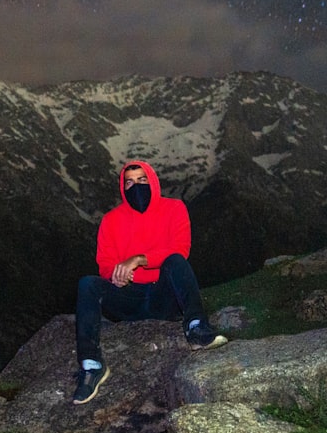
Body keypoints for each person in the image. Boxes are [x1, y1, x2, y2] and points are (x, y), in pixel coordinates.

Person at [72, 160, 227, 405]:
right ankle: (92, 365)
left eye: (142, 180)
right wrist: (116, 274)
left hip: (163, 297)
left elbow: (180, 250)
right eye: (130, 182)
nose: (136, 186)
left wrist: (139, 259)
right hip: (129, 299)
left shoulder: (174, 209)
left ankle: (196, 328)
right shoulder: (111, 220)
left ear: (152, 181)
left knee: (175, 261)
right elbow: (104, 263)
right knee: (87, 284)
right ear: (123, 187)